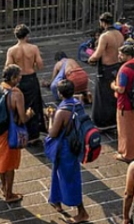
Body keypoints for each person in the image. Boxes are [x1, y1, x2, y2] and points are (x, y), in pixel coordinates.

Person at [47, 79, 89, 224]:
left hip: (65, 147)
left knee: (69, 178)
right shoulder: (78, 103)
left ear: (59, 93)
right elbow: (79, 98)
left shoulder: (62, 111)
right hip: (75, 143)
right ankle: (56, 199)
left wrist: (51, 118)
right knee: (58, 172)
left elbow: (52, 133)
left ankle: (82, 211)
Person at [0, 64, 31, 203]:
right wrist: (29, 114)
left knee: (0, 160)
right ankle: (9, 193)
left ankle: (3, 186)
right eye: (18, 76)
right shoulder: (16, 94)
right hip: (10, 132)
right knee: (9, 165)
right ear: (13, 78)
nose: (20, 78)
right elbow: (23, 118)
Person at [4, 24, 45, 142]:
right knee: (34, 105)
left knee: (20, 106)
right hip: (31, 78)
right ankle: (34, 133)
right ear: (27, 35)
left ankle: (21, 131)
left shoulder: (11, 50)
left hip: (19, 80)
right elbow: (40, 64)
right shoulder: (33, 48)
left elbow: (8, 67)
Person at [88, 13, 124, 129]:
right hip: (117, 66)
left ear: (103, 22)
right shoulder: (119, 34)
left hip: (106, 69)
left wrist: (90, 58)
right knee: (113, 95)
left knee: (103, 97)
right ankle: (115, 119)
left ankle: (103, 122)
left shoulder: (105, 36)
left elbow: (97, 54)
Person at [114, 44, 134, 163]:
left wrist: (113, 86)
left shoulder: (124, 70)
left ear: (127, 56)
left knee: (125, 130)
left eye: (121, 54)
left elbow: (121, 89)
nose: (119, 56)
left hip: (125, 104)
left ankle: (127, 154)